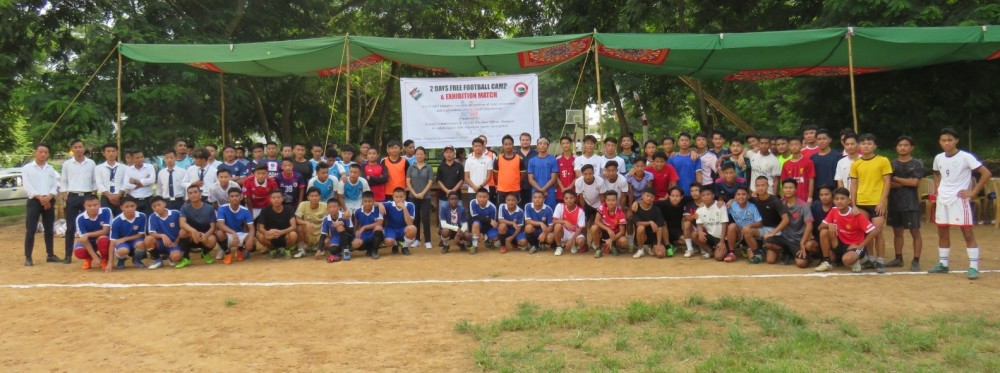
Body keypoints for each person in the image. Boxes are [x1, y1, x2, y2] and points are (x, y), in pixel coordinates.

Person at [928, 128, 992, 280]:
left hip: (959, 199)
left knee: (967, 232)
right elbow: (936, 173)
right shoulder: (938, 158)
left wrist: (973, 192)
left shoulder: (965, 157)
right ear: (939, 142)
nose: (947, 143)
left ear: (956, 140)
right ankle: (943, 264)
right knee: (942, 231)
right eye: (944, 140)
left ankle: (973, 267)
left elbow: (986, 173)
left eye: (950, 140)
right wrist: (938, 189)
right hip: (943, 199)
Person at [849, 133, 893, 273]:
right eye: (863, 143)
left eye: (869, 143)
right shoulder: (856, 163)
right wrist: (854, 205)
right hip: (861, 202)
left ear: (875, 146)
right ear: (859, 146)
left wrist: (883, 201)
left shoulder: (883, 161)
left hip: (876, 203)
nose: (866, 146)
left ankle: (880, 261)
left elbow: (887, 182)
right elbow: (854, 185)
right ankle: (870, 258)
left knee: (877, 232)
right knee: (865, 232)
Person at [816, 188, 877, 273]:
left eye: (842, 198)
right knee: (824, 232)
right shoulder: (833, 210)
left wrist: (861, 245)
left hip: (854, 245)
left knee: (847, 260)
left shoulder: (856, 214)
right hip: (839, 243)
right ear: (833, 201)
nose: (839, 201)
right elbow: (819, 227)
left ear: (849, 201)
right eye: (837, 199)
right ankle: (826, 262)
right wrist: (829, 224)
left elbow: (874, 231)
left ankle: (860, 258)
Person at [888, 135, 924, 271]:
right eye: (900, 145)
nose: (902, 147)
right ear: (896, 147)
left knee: (915, 232)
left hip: (911, 203)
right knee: (897, 232)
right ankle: (898, 258)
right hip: (894, 202)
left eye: (906, 145)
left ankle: (916, 260)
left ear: (911, 147)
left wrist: (897, 178)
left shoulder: (917, 163)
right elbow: (887, 184)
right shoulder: (891, 164)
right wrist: (906, 182)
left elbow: (915, 182)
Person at [23, 143, 60, 266]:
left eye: (46, 152)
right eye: (41, 152)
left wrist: (49, 197)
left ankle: (50, 254)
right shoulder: (27, 168)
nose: (43, 154)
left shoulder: (50, 169)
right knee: (31, 229)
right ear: (35, 153)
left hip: (49, 200)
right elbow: (27, 186)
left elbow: (55, 186)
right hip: (34, 201)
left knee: (49, 229)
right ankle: (28, 257)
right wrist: (40, 198)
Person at [765, 179, 817, 267]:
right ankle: (786, 253)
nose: (788, 190)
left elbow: (809, 225)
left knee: (802, 264)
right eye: (785, 188)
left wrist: (802, 242)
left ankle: (808, 256)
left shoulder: (804, 205)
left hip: (798, 239)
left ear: (796, 189)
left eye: (791, 187)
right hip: (784, 237)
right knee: (769, 249)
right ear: (782, 190)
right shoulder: (780, 203)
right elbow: (766, 201)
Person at [61, 140, 97, 265]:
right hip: (73, 196)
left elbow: (94, 180)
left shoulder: (91, 163)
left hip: (87, 196)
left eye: (80, 147)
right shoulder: (67, 164)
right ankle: (68, 255)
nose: (78, 149)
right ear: (72, 149)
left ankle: (91, 254)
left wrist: (94, 194)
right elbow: (64, 181)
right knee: (70, 228)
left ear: (84, 148)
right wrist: (65, 195)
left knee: (88, 226)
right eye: (75, 147)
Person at [178, 186, 220, 266]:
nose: (193, 195)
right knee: (182, 232)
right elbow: (182, 223)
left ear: (200, 194)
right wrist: (193, 231)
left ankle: (205, 252)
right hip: (191, 236)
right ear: (188, 196)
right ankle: (186, 258)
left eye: (195, 192)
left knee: (212, 240)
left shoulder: (209, 208)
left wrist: (206, 235)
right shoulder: (184, 208)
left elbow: (213, 227)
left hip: (205, 235)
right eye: (190, 193)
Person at [750, 176, 789, 258]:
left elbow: (786, 219)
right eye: (758, 186)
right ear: (755, 187)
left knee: (770, 260)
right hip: (763, 228)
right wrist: (732, 200)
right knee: (747, 231)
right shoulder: (754, 198)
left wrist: (772, 233)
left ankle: (786, 252)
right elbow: (741, 197)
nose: (760, 188)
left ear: (768, 186)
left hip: (775, 230)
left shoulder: (775, 201)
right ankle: (757, 253)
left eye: (763, 185)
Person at [71, 195, 112, 270]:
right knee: (79, 251)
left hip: (102, 239)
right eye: (89, 205)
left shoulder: (106, 211)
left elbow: (105, 230)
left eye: (95, 205)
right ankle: (89, 258)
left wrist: (88, 234)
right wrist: (95, 257)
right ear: (84, 206)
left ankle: (104, 259)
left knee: (103, 240)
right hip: (88, 241)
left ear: (99, 204)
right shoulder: (80, 218)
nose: (92, 208)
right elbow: (84, 239)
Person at [107, 197, 148, 271]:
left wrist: (125, 238)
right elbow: (112, 242)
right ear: (122, 208)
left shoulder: (142, 216)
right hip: (122, 244)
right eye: (127, 207)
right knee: (123, 250)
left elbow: (141, 234)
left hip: (135, 240)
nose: (130, 209)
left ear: (136, 206)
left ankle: (136, 260)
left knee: (141, 243)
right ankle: (121, 261)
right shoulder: (116, 221)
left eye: (132, 206)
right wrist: (110, 263)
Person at [256, 190, 299, 259]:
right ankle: (272, 249)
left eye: (278, 197)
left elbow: (293, 226)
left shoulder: (289, 209)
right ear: (270, 199)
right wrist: (266, 233)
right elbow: (260, 227)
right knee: (259, 234)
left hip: (285, 235)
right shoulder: (265, 210)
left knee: (293, 234)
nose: (276, 199)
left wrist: (281, 232)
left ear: (282, 198)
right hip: (270, 236)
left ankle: (286, 249)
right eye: (273, 198)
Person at [406, 147, 435, 249]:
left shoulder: (429, 167)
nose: (419, 156)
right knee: (416, 219)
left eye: (421, 154)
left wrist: (422, 193)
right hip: (413, 197)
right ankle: (416, 239)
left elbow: (430, 181)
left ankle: (427, 240)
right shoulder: (411, 167)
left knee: (426, 219)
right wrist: (414, 193)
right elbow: (408, 181)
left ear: (425, 155)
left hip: (425, 197)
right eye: (417, 154)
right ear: (415, 155)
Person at [145, 196, 185, 269]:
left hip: (173, 243)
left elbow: (183, 229)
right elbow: (151, 233)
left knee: (176, 257)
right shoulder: (152, 216)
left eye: (159, 205)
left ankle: (170, 257)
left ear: (164, 204)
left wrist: (176, 241)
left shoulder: (175, 213)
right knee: (148, 239)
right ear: (152, 208)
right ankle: (158, 260)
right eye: (154, 206)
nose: (157, 207)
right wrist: (162, 235)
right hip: (160, 243)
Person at [726, 186, 763, 263]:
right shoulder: (732, 205)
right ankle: (731, 253)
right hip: (740, 233)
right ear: (735, 196)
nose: (741, 196)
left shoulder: (753, 207)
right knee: (731, 226)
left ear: (748, 196)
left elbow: (760, 223)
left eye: (743, 194)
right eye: (738, 194)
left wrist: (750, 225)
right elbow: (721, 210)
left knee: (752, 260)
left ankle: (755, 251)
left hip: (751, 234)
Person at [694, 188, 729, 261]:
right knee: (695, 234)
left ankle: (722, 248)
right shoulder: (699, 210)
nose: (705, 197)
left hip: (722, 238)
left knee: (718, 257)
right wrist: (700, 232)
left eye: (708, 194)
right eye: (703, 195)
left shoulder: (720, 206)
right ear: (701, 197)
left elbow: (724, 224)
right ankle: (709, 251)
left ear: (713, 195)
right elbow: (699, 225)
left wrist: (722, 242)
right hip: (710, 236)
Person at [292, 187, 327, 258]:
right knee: (299, 227)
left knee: (328, 240)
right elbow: (297, 219)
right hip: (309, 232)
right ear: (308, 197)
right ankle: (302, 248)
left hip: (321, 232)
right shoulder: (303, 204)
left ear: (320, 197)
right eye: (312, 196)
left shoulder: (325, 205)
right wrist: (306, 222)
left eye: (316, 196)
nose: (314, 198)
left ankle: (319, 247)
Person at [591, 191, 628, 258]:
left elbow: (622, 231)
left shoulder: (620, 213)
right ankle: (598, 249)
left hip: (614, 233)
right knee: (594, 228)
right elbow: (596, 221)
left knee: (624, 241)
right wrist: (608, 229)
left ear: (617, 200)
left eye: (613, 200)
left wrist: (611, 239)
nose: (611, 202)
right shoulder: (602, 207)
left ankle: (614, 245)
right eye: (608, 200)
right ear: (605, 200)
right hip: (604, 231)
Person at [382, 187, 418, 255]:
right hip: (391, 229)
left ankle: (405, 247)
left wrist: (404, 208)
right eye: (396, 197)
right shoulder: (389, 204)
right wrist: (379, 205)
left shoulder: (410, 205)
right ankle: (395, 244)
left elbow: (410, 223)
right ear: (393, 197)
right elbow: (375, 203)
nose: (398, 199)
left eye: (401, 197)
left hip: (403, 229)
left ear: (405, 196)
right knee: (388, 242)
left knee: (412, 229)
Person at [780, 136, 816, 204]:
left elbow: (811, 180)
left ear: (801, 145)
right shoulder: (786, 164)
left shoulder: (808, 162)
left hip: (803, 198)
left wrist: (810, 198)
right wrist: (783, 196)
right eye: (791, 145)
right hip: (789, 199)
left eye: (796, 144)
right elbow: (783, 181)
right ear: (788, 146)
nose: (794, 147)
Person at [630, 188, 665, 259]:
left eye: (652, 197)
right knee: (640, 228)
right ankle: (640, 249)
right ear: (643, 195)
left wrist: (659, 244)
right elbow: (637, 223)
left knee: (660, 255)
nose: (649, 198)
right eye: (647, 196)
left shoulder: (656, 209)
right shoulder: (636, 208)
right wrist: (650, 222)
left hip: (653, 237)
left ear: (654, 198)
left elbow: (660, 227)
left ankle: (651, 247)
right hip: (642, 237)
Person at [95, 143, 127, 216]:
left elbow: (125, 183)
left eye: (113, 151)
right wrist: (110, 197)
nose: (111, 153)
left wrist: (118, 196)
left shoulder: (124, 168)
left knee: (121, 218)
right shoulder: (98, 168)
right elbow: (99, 184)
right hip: (106, 197)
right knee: (106, 219)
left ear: (117, 153)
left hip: (120, 197)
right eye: (108, 151)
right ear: (104, 153)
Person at [351, 191, 385, 259]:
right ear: (362, 202)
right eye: (365, 201)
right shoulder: (358, 211)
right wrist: (356, 232)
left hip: (374, 232)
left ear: (374, 201)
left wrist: (364, 227)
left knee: (379, 228)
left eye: (370, 201)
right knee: (355, 244)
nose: (367, 203)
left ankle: (375, 251)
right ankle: (369, 248)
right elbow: (356, 224)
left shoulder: (378, 209)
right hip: (363, 234)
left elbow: (380, 223)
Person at [319, 198, 354, 263]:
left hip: (347, 236)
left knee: (340, 227)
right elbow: (323, 235)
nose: (332, 209)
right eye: (330, 207)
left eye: (334, 207)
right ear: (327, 209)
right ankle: (339, 252)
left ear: (339, 207)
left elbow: (351, 231)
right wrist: (319, 250)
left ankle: (346, 251)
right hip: (336, 237)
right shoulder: (326, 219)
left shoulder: (345, 216)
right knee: (333, 250)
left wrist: (343, 224)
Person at [809, 129, 841, 200]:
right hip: (817, 195)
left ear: (830, 140)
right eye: (819, 139)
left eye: (824, 139)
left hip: (834, 193)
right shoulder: (812, 158)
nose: (821, 141)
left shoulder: (837, 156)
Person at [495, 135, 526, 206]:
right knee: (501, 210)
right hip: (502, 190)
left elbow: (523, 174)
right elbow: (495, 174)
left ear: (513, 145)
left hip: (515, 189)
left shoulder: (519, 159)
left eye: (510, 144)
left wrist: (516, 181)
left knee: (516, 210)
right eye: (506, 144)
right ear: (502, 145)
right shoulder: (498, 159)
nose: (508, 146)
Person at [553, 190, 586, 255]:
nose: (569, 200)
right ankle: (559, 247)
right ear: (563, 199)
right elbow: (554, 221)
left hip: (574, 232)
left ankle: (574, 245)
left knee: (581, 241)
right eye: (566, 198)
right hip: (563, 232)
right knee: (558, 226)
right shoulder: (560, 206)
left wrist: (572, 240)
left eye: (571, 198)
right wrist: (565, 222)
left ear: (575, 198)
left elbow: (580, 228)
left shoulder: (580, 211)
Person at [464, 137, 494, 212]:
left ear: (483, 146)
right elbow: (466, 177)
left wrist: (480, 187)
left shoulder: (488, 159)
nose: (477, 148)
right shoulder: (468, 160)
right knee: (472, 212)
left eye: (479, 146)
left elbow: (489, 176)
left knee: (485, 211)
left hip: (484, 190)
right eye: (475, 146)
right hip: (472, 190)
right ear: (473, 147)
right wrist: (474, 187)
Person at [468, 187, 499, 255]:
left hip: (488, 226)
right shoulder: (472, 202)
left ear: (488, 197)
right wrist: (488, 219)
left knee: (495, 237)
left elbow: (492, 223)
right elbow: (474, 217)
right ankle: (474, 246)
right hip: (477, 224)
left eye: (484, 197)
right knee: (475, 223)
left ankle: (488, 240)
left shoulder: (492, 207)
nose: (482, 199)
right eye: (480, 196)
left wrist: (483, 233)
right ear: (476, 196)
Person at [518, 132, 538, 206]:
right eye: (523, 140)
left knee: (531, 206)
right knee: (519, 206)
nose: (525, 142)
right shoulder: (515, 154)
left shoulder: (536, 154)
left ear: (530, 141)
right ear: (520, 141)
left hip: (532, 186)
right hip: (518, 186)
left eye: (527, 140)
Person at [556, 136, 576, 203]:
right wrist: (562, 188)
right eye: (563, 143)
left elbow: (577, 176)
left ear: (571, 144)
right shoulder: (557, 159)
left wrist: (569, 187)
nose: (565, 145)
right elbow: (556, 176)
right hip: (561, 192)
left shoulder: (577, 158)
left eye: (567, 143)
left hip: (573, 191)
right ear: (561, 145)